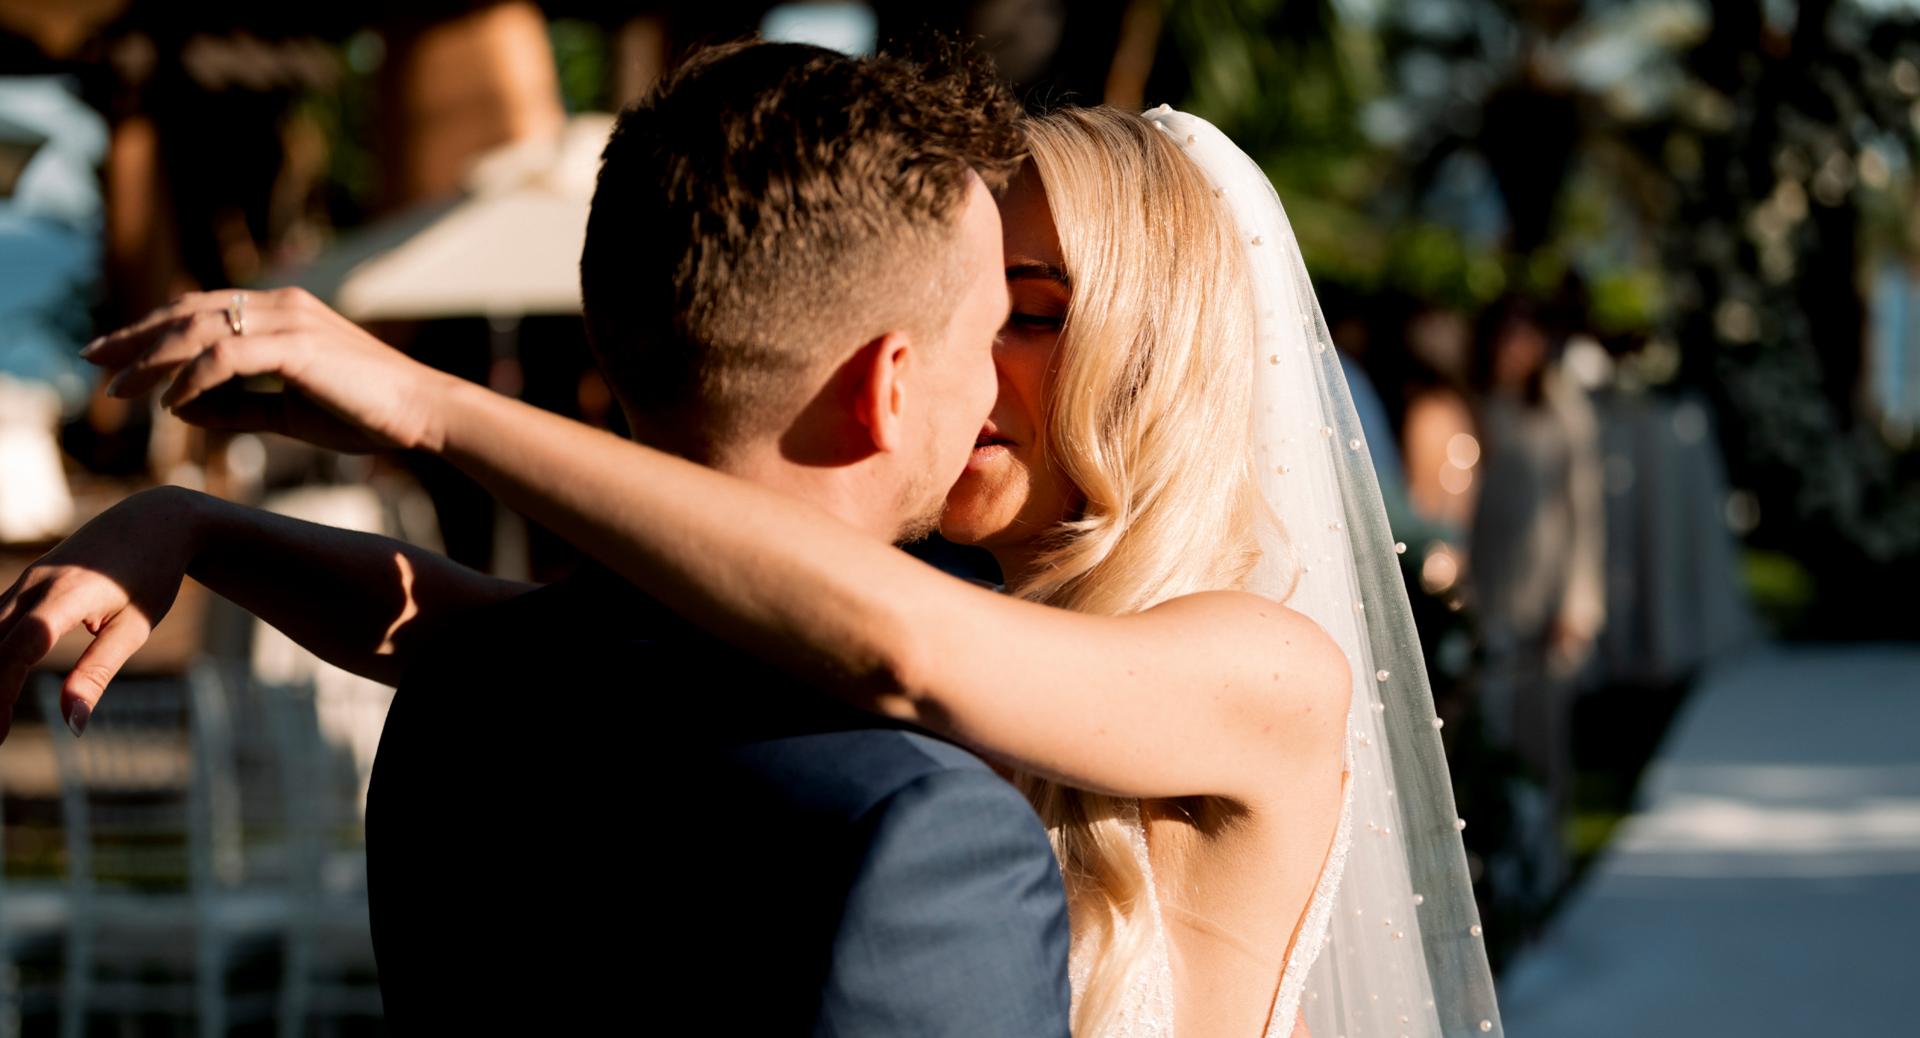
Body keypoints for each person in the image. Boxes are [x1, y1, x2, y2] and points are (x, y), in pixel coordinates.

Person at [14, 65, 1504, 1038]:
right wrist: (194, 526)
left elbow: (901, 658)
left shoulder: (1260, 662)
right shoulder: (926, 601)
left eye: (1025, 311)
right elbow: (495, 631)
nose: (968, 363)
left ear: (1156, 345)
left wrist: (428, 408)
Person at [0, 40, 1072, 1035]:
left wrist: (195, 524)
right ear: (887, 388)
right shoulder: (924, 832)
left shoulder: (457, 700)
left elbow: (468, 618)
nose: (998, 380)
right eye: (988, 335)